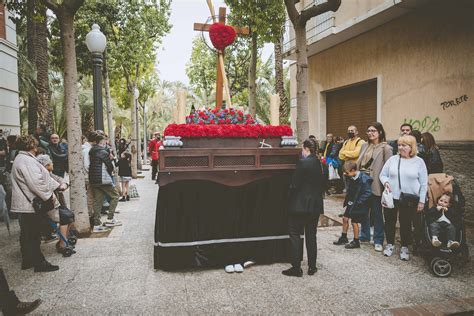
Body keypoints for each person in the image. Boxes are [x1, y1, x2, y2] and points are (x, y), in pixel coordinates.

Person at [10, 135, 60, 272]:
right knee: (33, 235)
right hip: (30, 204)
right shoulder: (26, 161)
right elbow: (36, 183)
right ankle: (39, 263)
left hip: (25, 204)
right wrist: (49, 196)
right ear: (32, 146)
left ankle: (28, 260)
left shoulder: (22, 159)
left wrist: (57, 186)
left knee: (27, 234)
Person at [379, 135, 428, 261]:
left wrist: (422, 200)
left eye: (404, 145)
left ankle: (404, 247)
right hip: (392, 196)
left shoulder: (419, 162)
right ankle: (390, 244)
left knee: (405, 223)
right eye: (399, 145)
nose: (400, 148)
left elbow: (423, 183)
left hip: (409, 198)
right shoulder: (393, 160)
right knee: (389, 221)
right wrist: (386, 183)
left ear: (411, 147)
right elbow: (382, 175)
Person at [282, 139, 324, 277]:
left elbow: (294, 185)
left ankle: (296, 268)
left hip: (300, 205)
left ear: (306, 148)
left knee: (294, 234)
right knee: (311, 236)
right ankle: (312, 267)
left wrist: (288, 198)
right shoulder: (320, 163)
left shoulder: (302, 163)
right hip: (315, 206)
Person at [356, 122, 393, 251]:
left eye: (373, 131)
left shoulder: (386, 148)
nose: (370, 133)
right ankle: (365, 235)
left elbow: (389, 169)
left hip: (376, 183)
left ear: (380, 132)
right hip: (362, 183)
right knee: (363, 211)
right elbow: (359, 163)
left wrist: (386, 186)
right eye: (369, 130)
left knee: (377, 213)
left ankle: (378, 239)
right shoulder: (364, 145)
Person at [36, 155, 75, 255]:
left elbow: (60, 179)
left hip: (54, 204)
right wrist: (61, 186)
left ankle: (63, 240)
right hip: (49, 205)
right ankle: (62, 244)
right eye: (51, 163)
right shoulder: (44, 175)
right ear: (46, 165)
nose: (53, 164)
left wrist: (63, 184)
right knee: (65, 217)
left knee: (70, 215)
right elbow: (56, 185)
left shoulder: (49, 174)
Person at [333, 161, 373, 249]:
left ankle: (356, 241)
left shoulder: (364, 179)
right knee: (345, 218)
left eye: (347, 172)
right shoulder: (350, 177)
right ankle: (344, 237)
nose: (345, 174)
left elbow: (368, 193)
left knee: (354, 221)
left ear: (354, 170)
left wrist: (359, 202)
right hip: (351, 201)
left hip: (359, 203)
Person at [89, 133, 121, 232]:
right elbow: (110, 165)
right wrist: (112, 159)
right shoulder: (103, 151)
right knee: (115, 196)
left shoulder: (92, 151)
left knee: (97, 201)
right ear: (102, 142)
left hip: (94, 179)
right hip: (103, 178)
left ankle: (96, 225)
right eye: (105, 141)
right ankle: (110, 219)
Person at [338, 125, 365, 191]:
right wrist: (349, 153)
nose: (350, 132)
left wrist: (345, 153)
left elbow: (356, 154)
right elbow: (340, 155)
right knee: (348, 187)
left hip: (355, 169)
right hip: (346, 169)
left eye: (352, 131)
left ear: (357, 132)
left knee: (356, 188)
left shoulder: (361, 142)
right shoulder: (346, 142)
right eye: (349, 131)